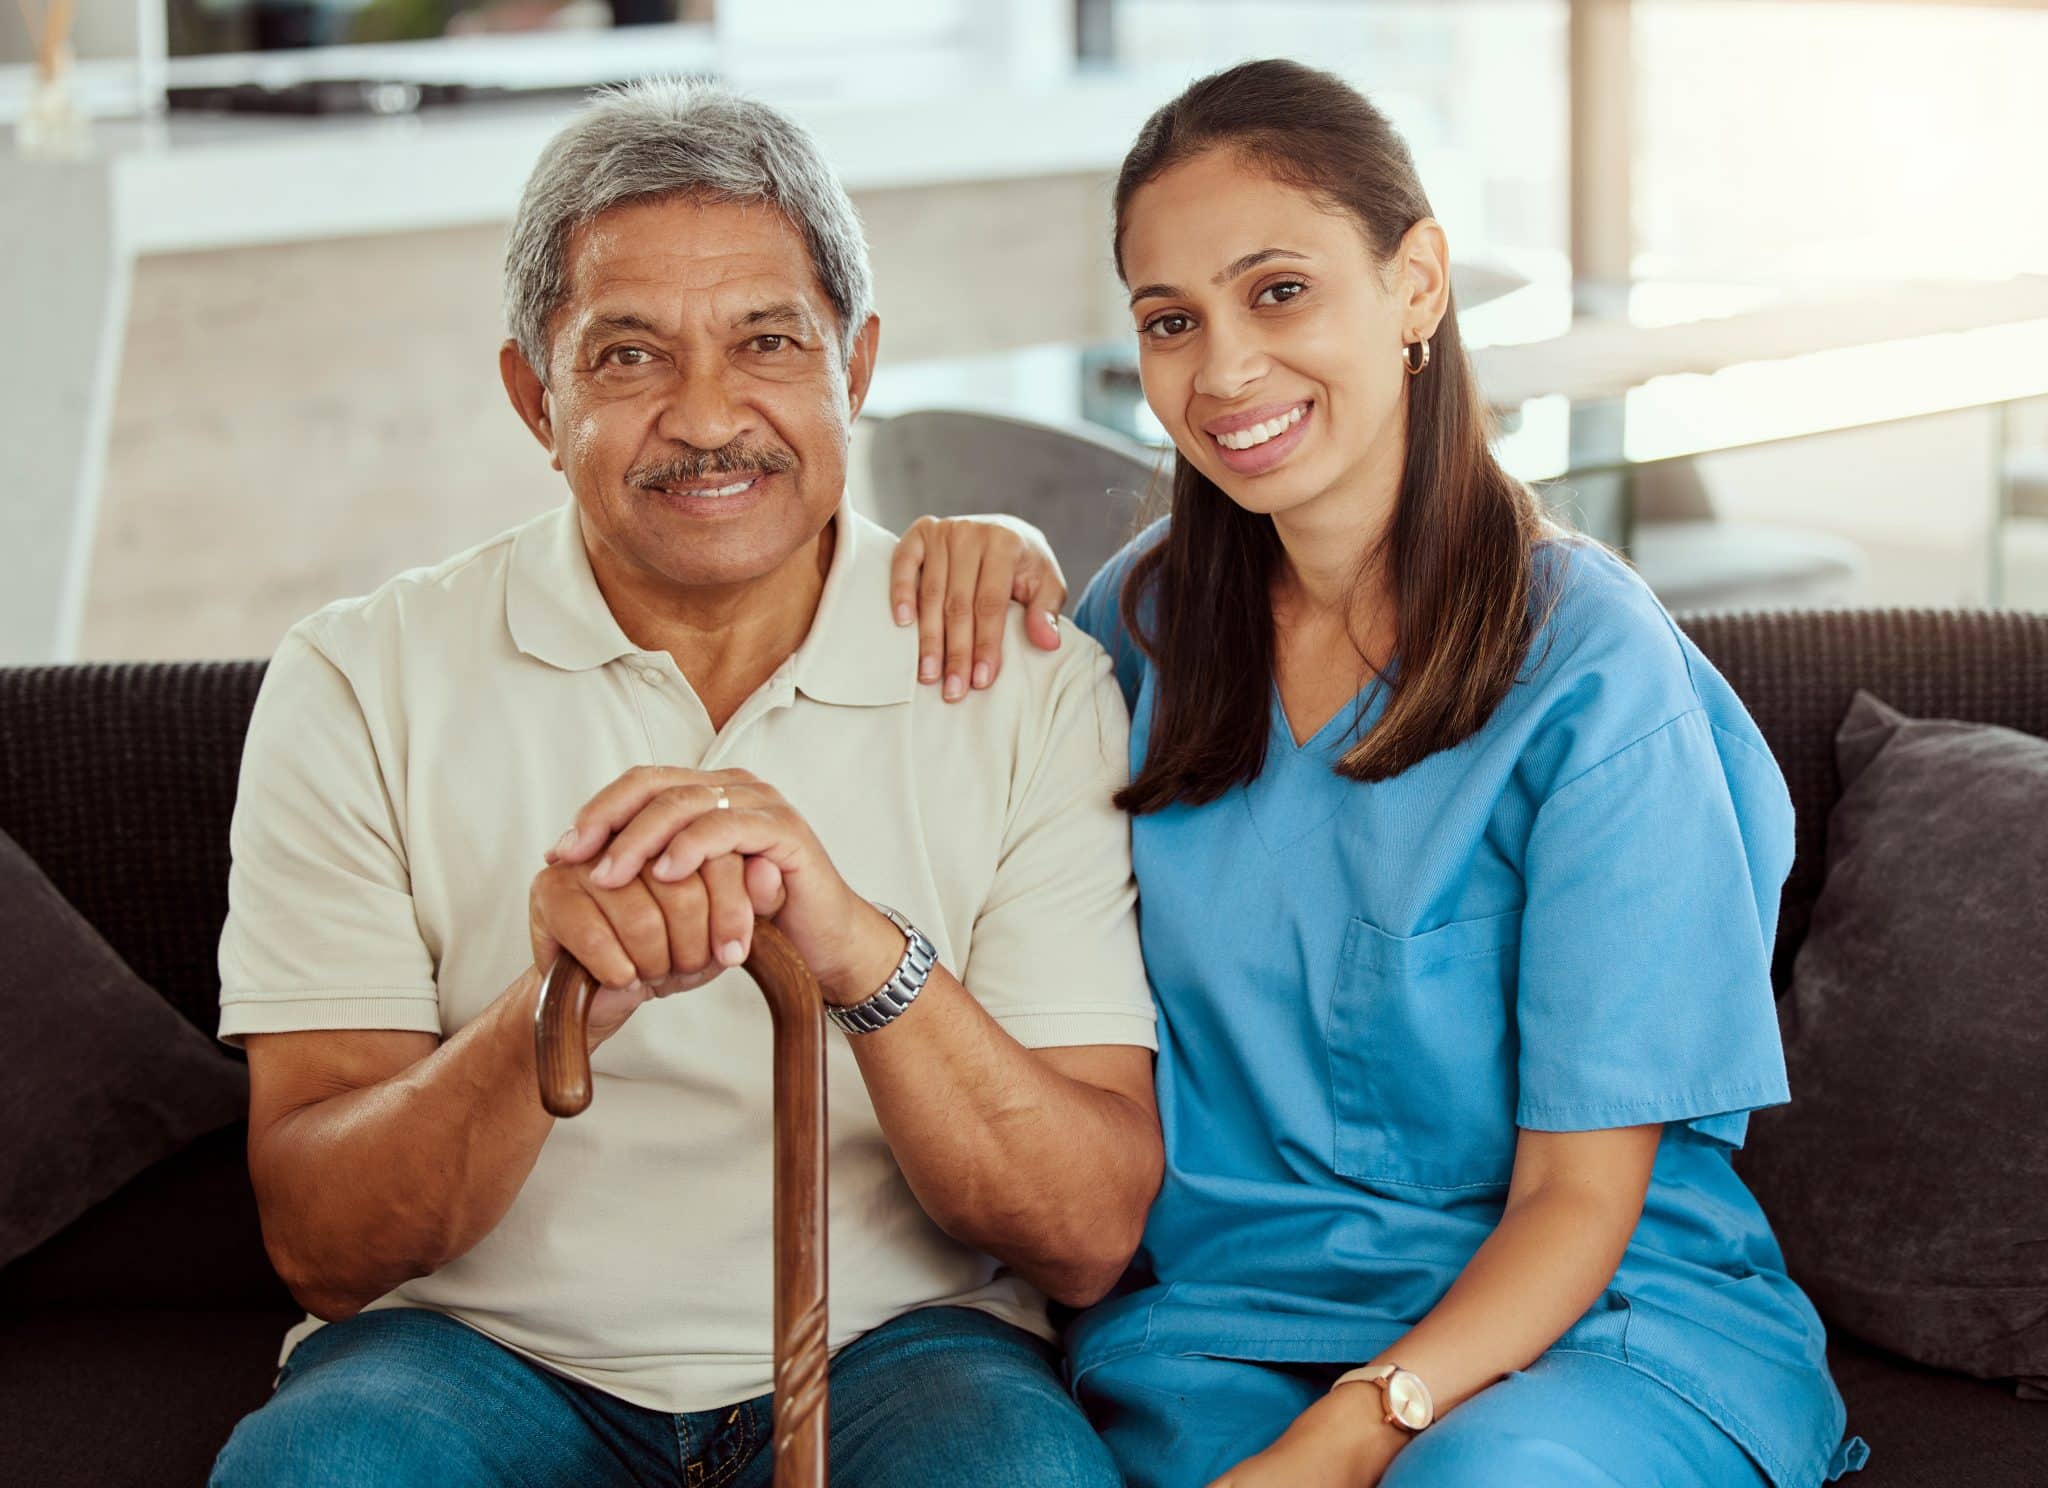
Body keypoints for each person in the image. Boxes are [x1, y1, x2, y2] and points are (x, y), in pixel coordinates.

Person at [892, 59, 1869, 1488]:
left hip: (1586, 1328)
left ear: (1417, 286)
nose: (1223, 371)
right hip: (1225, 1333)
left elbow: (1578, 1196)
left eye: (1278, 290)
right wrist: (985, 555)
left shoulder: (1595, 671)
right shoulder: (1132, 631)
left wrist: (1353, 1437)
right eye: (1173, 322)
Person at [208, 78, 1162, 1488]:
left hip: (902, 1347)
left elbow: (1086, 1230)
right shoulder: (359, 678)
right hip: (469, 1355)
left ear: (859, 364)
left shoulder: (1023, 676)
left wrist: (860, 952)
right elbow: (324, 1244)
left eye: (768, 341)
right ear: (535, 397)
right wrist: (551, 1015)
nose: (709, 416)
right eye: (629, 357)